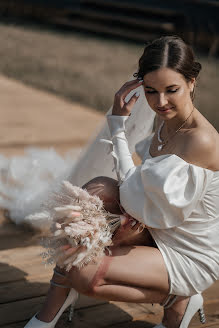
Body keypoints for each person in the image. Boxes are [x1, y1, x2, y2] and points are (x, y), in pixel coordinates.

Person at [24, 36, 219, 328]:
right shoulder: (169, 123)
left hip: (188, 252)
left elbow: (133, 194)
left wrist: (118, 127)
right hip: (159, 225)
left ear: (192, 82)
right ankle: (54, 303)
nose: (160, 102)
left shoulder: (200, 139)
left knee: (86, 274)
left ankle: (178, 299)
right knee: (94, 192)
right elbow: (138, 186)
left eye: (172, 90)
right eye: (151, 91)